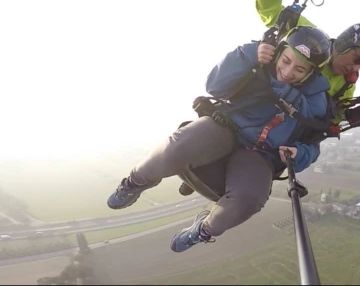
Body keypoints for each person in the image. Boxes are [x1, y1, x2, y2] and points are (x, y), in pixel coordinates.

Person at [106, 26, 333, 252]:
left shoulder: (316, 103)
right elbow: (215, 86)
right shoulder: (258, 63)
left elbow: (313, 144)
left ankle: (204, 229)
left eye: (300, 69)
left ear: (311, 73)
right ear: (279, 51)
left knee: (249, 200)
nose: (287, 72)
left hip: (261, 153)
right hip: (227, 127)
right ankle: (135, 182)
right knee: (178, 146)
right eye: (285, 60)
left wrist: (299, 154)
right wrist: (248, 55)